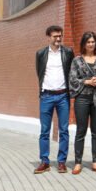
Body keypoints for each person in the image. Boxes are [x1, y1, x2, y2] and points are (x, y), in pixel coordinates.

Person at [34, 25, 74, 174]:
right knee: (45, 131)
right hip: (46, 96)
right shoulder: (41, 54)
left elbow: (70, 72)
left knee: (64, 130)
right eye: (55, 36)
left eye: (60, 36)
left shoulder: (68, 52)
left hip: (63, 95)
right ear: (48, 37)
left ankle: (61, 162)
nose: (58, 38)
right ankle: (45, 161)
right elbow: (40, 73)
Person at [69, 31, 96, 175]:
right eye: (88, 42)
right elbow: (72, 79)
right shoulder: (77, 61)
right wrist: (87, 81)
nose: (91, 44)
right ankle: (78, 162)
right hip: (82, 99)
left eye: (93, 42)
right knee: (81, 131)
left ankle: (95, 161)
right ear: (84, 44)